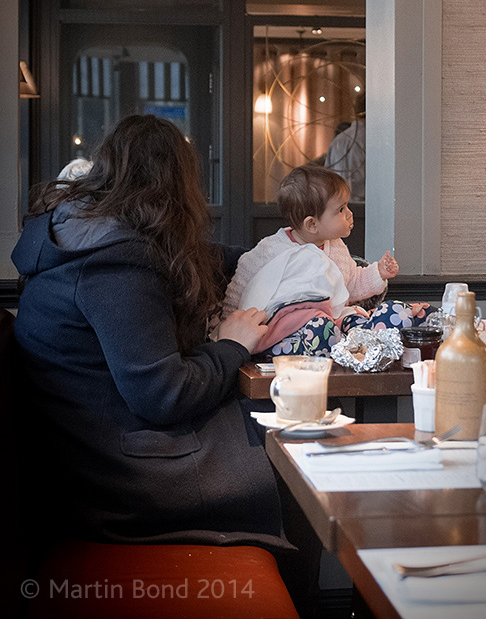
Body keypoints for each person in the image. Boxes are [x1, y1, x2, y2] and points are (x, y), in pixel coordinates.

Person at [11, 115, 293, 555]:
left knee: (285, 435)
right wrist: (232, 346)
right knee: (296, 460)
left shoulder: (85, 230)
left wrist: (292, 255)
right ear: (177, 185)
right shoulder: (114, 265)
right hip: (120, 479)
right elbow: (165, 395)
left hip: (91, 450)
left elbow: (209, 256)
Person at [214, 165, 430, 358]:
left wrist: (378, 273)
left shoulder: (336, 247)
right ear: (312, 224)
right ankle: (353, 346)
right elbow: (241, 286)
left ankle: (370, 338)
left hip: (336, 321)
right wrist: (228, 325)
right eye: (341, 210)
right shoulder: (270, 250)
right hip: (286, 331)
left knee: (384, 313)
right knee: (319, 328)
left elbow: (350, 283)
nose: (350, 214)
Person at [324, 92, 365, 201]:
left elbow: (328, 176)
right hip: (366, 204)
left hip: (340, 203)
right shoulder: (373, 141)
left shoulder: (339, 140)